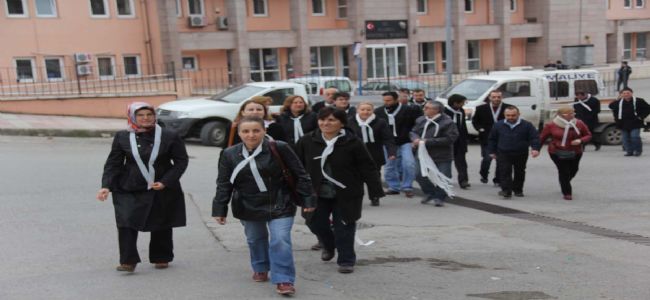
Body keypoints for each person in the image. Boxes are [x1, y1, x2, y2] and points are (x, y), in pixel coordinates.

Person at [213, 116, 316, 296]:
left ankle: (284, 279)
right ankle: (260, 266)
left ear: (264, 131)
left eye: (256, 130)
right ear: (239, 133)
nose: (251, 135)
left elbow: (301, 174)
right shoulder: (229, 154)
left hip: (280, 201)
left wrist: (308, 199)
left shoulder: (279, 148)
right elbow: (223, 184)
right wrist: (220, 208)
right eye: (245, 131)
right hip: (247, 204)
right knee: (255, 238)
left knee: (280, 240)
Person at [97, 102, 189, 273]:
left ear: (155, 116)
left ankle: (161, 257)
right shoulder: (122, 137)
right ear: (133, 117)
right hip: (129, 185)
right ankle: (128, 261)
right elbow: (113, 163)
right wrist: (106, 186)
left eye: (149, 114)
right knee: (126, 221)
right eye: (140, 115)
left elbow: (181, 161)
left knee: (161, 221)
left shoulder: (169, 135)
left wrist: (166, 181)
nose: (145, 118)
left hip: (160, 185)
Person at [296, 107, 384, 274]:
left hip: (346, 193)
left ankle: (346, 260)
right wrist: (296, 191)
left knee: (344, 226)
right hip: (317, 193)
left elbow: (367, 166)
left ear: (342, 123)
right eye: (322, 119)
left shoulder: (352, 141)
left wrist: (375, 190)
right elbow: (297, 166)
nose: (325, 123)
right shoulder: (307, 141)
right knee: (314, 222)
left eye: (331, 120)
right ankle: (329, 246)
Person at [348, 101, 397, 206]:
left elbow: (388, 138)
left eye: (368, 110)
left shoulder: (380, 122)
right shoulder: (350, 122)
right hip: (355, 153)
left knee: (374, 177)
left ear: (372, 110)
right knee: (355, 178)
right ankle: (357, 198)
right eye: (362, 109)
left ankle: (375, 196)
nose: (365, 112)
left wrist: (391, 152)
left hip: (374, 153)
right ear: (358, 110)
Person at [375, 91, 423, 198]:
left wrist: (414, 137)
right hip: (388, 143)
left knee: (409, 164)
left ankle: (407, 186)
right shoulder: (379, 111)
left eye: (389, 100)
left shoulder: (409, 110)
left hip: (405, 141)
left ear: (396, 100)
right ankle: (393, 187)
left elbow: (418, 124)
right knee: (389, 166)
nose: (386, 102)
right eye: (384, 100)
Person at [411, 101, 458, 207]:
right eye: (425, 107)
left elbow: (450, 139)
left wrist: (427, 141)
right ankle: (430, 192)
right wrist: (415, 139)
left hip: (442, 154)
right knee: (418, 174)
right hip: (422, 154)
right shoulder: (421, 120)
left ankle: (440, 197)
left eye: (427, 108)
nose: (424, 109)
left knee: (443, 176)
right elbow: (413, 132)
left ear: (436, 110)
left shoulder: (448, 122)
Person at [539, 106, 592, 201]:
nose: (573, 115)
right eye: (570, 114)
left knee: (574, 169)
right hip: (556, 151)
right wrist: (536, 149)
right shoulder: (551, 125)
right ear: (562, 115)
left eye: (573, 113)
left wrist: (580, 140)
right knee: (563, 171)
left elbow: (588, 135)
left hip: (576, 151)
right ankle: (567, 192)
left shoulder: (579, 123)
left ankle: (565, 181)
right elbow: (542, 138)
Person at [488, 106, 541, 198]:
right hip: (504, 152)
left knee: (519, 171)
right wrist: (492, 151)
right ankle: (506, 191)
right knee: (504, 171)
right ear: (504, 115)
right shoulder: (498, 125)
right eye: (508, 115)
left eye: (513, 115)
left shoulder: (527, 125)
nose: (510, 117)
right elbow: (492, 139)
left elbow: (534, 137)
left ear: (518, 114)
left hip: (520, 152)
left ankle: (518, 190)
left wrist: (535, 148)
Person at [471, 90, 513, 186]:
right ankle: (484, 174)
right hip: (487, 138)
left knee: (500, 160)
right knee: (487, 158)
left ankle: (497, 179)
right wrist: (480, 129)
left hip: (502, 137)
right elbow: (475, 121)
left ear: (501, 98)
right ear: (489, 98)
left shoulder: (508, 108)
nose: (496, 99)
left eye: (498, 97)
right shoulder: (481, 108)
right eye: (494, 97)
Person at [608, 88, 650, 156]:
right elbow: (610, 106)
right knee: (625, 139)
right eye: (624, 93)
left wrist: (641, 117)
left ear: (631, 93)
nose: (626, 95)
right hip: (623, 123)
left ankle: (638, 151)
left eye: (628, 93)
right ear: (621, 94)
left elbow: (648, 108)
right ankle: (629, 151)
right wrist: (618, 99)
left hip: (635, 122)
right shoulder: (619, 102)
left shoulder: (638, 101)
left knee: (635, 137)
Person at [445, 94, 470, 189]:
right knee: (446, 162)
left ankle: (463, 180)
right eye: (462, 102)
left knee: (461, 162)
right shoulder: (445, 112)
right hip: (447, 141)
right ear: (455, 103)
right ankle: (445, 180)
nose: (463, 104)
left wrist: (465, 138)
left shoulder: (461, 111)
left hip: (460, 141)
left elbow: (463, 126)